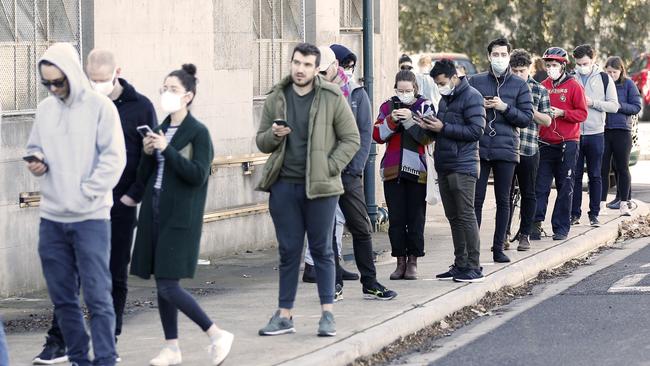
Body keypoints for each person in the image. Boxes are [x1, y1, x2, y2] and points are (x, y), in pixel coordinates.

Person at [31, 48, 158, 365]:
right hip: (55, 214)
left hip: (98, 212)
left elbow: (126, 159)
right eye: (47, 83)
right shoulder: (47, 110)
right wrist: (38, 163)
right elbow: (37, 145)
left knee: (103, 288)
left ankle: (106, 353)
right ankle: (71, 352)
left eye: (58, 82)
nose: (53, 89)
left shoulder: (114, 108)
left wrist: (100, 194)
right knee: (64, 293)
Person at [129, 64, 234, 365]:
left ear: (187, 96)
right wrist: (149, 153)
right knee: (161, 282)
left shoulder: (199, 133)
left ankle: (215, 333)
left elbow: (198, 174)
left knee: (168, 284)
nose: (166, 94)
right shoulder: (160, 129)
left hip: (181, 216)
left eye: (172, 90)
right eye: (163, 88)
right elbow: (146, 175)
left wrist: (168, 150)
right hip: (155, 210)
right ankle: (171, 347)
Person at [255, 43, 360, 337]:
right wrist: (273, 136)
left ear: (316, 69)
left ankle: (327, 315)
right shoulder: (277, 97)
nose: (300, 69)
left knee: (322, 250)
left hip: (321, 188)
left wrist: (329, 166)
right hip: (284, 186)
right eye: (296, 62)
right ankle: (284, 315)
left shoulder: (330, 96)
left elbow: (351, 138)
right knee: (289, 252)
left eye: (307, 64)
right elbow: (261, 142)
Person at [315, 44, 397, 300]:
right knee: (326, 231)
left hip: (348, 174)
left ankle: (370, 282)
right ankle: (333, 284)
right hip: (322, 173)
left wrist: (355, 168)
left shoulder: (355, 93)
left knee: (361, 228)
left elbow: (364, 134)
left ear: (333, 66)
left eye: (323, 70)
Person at [469, 37, 533, 263]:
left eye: (503, 55)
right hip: (480, 147)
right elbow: (463, 110)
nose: (499, 59)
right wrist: (480, 106)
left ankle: (498, 247)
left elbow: (526, 118)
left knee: (503, 199)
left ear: (509, 56)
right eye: (495, 55)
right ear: (488, 56)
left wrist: (504, 107)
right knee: (475, 200)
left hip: (506, 148)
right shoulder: (475, 81)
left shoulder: (519, 85)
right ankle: (472, 250)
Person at [421, 58, 486, 282]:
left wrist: (444, 127)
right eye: (437, 84)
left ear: (454, 77)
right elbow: (443, 129)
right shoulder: (445, 100)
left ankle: (474, 267)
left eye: (442, 82)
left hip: (463, 166)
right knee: (454, 217)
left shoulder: (473, 97)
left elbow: (476, 131)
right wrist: (430, 126)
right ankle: (461, 263)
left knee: (466, 215)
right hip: (445, 164)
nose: (441, 87)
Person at [302, 46, 359, 287]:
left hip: (331, 162)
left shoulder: (343, 90)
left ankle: (329, 263)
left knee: (335, 219)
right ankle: (315, 265)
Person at [373, 70, 435, 280]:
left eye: (408, 90)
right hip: (392, 169)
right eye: (400, 90)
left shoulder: (424, 106)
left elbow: (427, 138)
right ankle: (399, 261)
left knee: (416, 218)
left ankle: (413, 261)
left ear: (415, 89)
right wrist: (391, 120)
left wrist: (410, 121)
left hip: (417, 171)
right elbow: (377, 136)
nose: (404, 94)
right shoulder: (387, 106)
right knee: (397, 219)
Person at [531, 47, 588, 241]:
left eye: (554, 65)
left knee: (565, 186)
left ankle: (561, 227)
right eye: (548, 65)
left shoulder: (574, 86)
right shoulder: (542, 85)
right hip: (545, 142)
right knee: (540, 186)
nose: (551, 68)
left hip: (568, 142)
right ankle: (535, 224)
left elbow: (582, 114)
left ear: (563, 66)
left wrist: (563, 113)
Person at [570, 44, 619, 227]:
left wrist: (592, 103)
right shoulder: (570, 77)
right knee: (573, 176)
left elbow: (614, 106)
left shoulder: (605, 78)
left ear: (593, 60)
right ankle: (574, 214)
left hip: (596, 133)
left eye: (585, 63)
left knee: (595, 175)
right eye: (578, 63)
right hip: (574, 134)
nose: (582, 66)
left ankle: (594, 213)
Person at [508, 49, 552, 251]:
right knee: (504, 195)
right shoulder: (504, 88)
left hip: (528, 147)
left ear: (530, 70)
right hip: (506, 149)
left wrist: (530, 111)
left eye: (522, 71)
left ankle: (525, 234)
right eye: (514, 71)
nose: (518, 75)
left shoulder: (539, 90)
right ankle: (503, 234)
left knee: (529, 193)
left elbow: (548, 120)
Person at [601, 56, 642, 216]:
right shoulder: (602, 84)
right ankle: (601, 204)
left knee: (622, 167)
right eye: (608, 72)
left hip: (622, 131)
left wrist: (617, 106)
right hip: (603, 130)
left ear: (621, 71)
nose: (611, 75)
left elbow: (636, 106)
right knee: (603, 169)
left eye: (614, 72)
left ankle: (625, 202)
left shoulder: (628, 84)